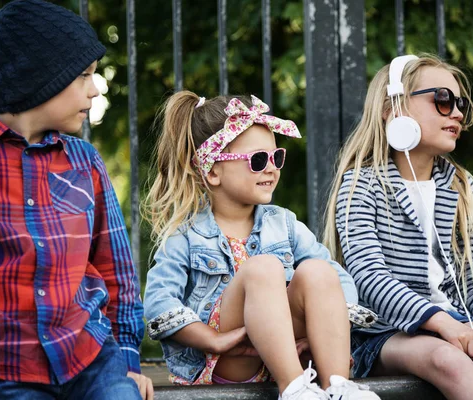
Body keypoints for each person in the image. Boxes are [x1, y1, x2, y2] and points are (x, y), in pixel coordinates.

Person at [0, 1, 153, 399]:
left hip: (93, 361)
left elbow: (117, 273)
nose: (95, 89)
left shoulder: (86, 161)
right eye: (84, 76)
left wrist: (129, 359)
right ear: (40, 79)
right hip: (2, 369)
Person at [322, 53, 473, 400]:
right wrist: (443, 324)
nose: (457, 113)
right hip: (381, 334)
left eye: (460, 103)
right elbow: (369, 277)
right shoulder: (362, 184)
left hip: (451, 322)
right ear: (394, 109)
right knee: (448, 359)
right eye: (442, 99)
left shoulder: (462, 186)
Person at [142, 90, 381, 400]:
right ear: (212, 170)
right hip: (226, 360)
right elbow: (159, 300)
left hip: (289, 353)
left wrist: (319, 329)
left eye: (276, 157)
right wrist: (211, 340)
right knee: (264, 267)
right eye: (257, 160)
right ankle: (294, 389)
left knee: (318, 271)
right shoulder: (186, 235)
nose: (271, 168)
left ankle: (339, 386)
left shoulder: (284, 223)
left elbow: (339, 280)